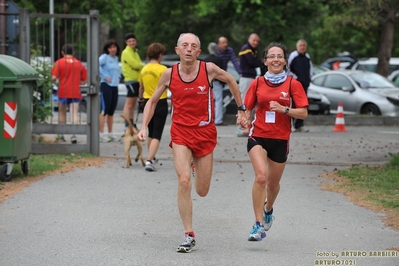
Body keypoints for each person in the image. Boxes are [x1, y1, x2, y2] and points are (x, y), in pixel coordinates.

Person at [137, 33, 247, 253]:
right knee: (184, 181)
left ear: (198, 51)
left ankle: (196, 166)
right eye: (184, 45)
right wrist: (143, 126)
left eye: (193, 46)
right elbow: (153, 100)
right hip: (180, 133)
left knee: (203, 190)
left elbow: (232, 80)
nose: (189, 49)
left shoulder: (209, 69)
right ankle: (189, 234)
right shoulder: (169, 74)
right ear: (177, 50)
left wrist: (241, 108)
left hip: (205, 133)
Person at [243, 42, 308, 241]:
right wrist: (244, 117)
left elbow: (304, 113)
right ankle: (256, 224)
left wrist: (284, 109)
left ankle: (268, 209)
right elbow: (247, 107)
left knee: (272, 185)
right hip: (258, 135)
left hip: (280, 139)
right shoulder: (257, 83)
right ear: (265, 61)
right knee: (261, 177)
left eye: (279, 56)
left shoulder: (292, 85)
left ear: (285, 61)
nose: (276, 59)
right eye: (271, 56)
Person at [138, 43, 168, 171]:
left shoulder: (144, 69)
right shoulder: (163, 69)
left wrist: (140, 99)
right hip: (160, 102)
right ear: (160, 55)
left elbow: (141, 87)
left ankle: (152, 156)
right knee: (157, 134)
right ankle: (150, 160)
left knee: (149, 131)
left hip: (146, 101)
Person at [51, 44, 87, 144]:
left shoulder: (59, 63)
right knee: (74, 113)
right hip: (75, 91)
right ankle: (74, 135)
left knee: (62, 112)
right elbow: (84, 80)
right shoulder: (79, 63)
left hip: (63, 91)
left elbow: (53, 77)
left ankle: (61, 134)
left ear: (62, 52)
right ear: (73, 52)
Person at [237, 33, 264, 136]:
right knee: (244, 102)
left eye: (257, 41)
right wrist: (262, 62)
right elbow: (253, 62)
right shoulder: (246, 49)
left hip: (252, 78)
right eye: (254, 40)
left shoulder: (253, 51)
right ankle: (241, 127)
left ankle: (248, 126)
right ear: (249, 39)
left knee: (251, 103)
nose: (256, 43)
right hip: (246, 78)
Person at [287, 39, 313, 132]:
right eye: (300, 45)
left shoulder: (307, 57)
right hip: (295, 84)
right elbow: (288, 68)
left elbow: (310, 69)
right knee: (293, 104)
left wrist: (309, 79)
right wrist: (295, 78)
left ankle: (299, 125)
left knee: (303, 105)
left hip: (304, 85)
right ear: (297, 47)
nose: (302, 47)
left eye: (304, 46)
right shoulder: (293, 56)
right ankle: (290, 125)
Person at [99, 39, 122, 142]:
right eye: (110, 47)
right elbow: (96, 65)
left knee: (111, 111)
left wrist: (119, 77)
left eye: (114, 47)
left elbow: (117, 70)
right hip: (106, 85)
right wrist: (104, 76)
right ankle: (101, 133)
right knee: (104, 110)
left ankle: (110, 133)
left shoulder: (116, 58)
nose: (113, 49)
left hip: (114, 86)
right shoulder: (104, 57)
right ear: (107, 49)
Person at [121, 33, 144, 130]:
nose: (132, 43)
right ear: (126, 42)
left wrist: (140, 66)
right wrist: (142, 66)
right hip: (130, 80)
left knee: (133, 104)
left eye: (133, 41)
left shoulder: (135, 52)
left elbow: (138, 65)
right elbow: (136, 65)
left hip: (136, 80)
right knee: (129, 104)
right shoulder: (126, 52)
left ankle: (131, 123)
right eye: (129, 41)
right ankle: (127, 125)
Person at [203, 42, 225, 126]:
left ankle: (206, 118)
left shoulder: (205, 60)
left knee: (206, 100)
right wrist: (223, 83)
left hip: (207, 82)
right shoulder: (219, 60)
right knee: (218, 101)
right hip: (217, 82)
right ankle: (218, 119)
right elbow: (222, 72)